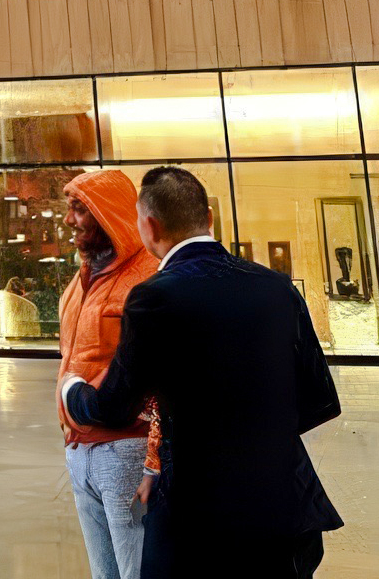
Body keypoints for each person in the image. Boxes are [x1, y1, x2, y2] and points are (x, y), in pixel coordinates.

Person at [63, 165, 342, 577]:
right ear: (209, 218)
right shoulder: (276, 287)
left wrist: (73, 392)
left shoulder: (153, 298)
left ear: (150, 227)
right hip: (285, 505)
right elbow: (320, 400)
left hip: (198, 513)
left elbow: (115, 405)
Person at [56, 169, 159, 579]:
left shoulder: (148, 278)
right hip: (80, 449)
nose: (69, 220)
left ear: (109, 214)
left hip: (127, 450)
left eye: (79, 209)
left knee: (136, 569)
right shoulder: (81, 281)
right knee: (105, 573)